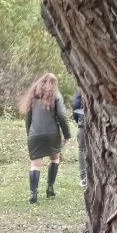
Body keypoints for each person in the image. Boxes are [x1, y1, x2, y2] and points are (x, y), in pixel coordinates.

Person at [19, 73, 71, 203]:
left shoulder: (33, 95)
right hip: (52, 134)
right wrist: (67, 134)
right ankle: (50, 188)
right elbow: (62, 116)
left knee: (35, 164)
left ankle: (33, 194)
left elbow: (28, 119)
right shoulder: (56, 96)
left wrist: (30, 134)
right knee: (55, 158)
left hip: (35, 134)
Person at [72, 90, 87, 189]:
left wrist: (78, 120)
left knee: (82, 150)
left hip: (83, 124)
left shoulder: (82, 90)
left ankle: (84, 177)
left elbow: (76, 106)